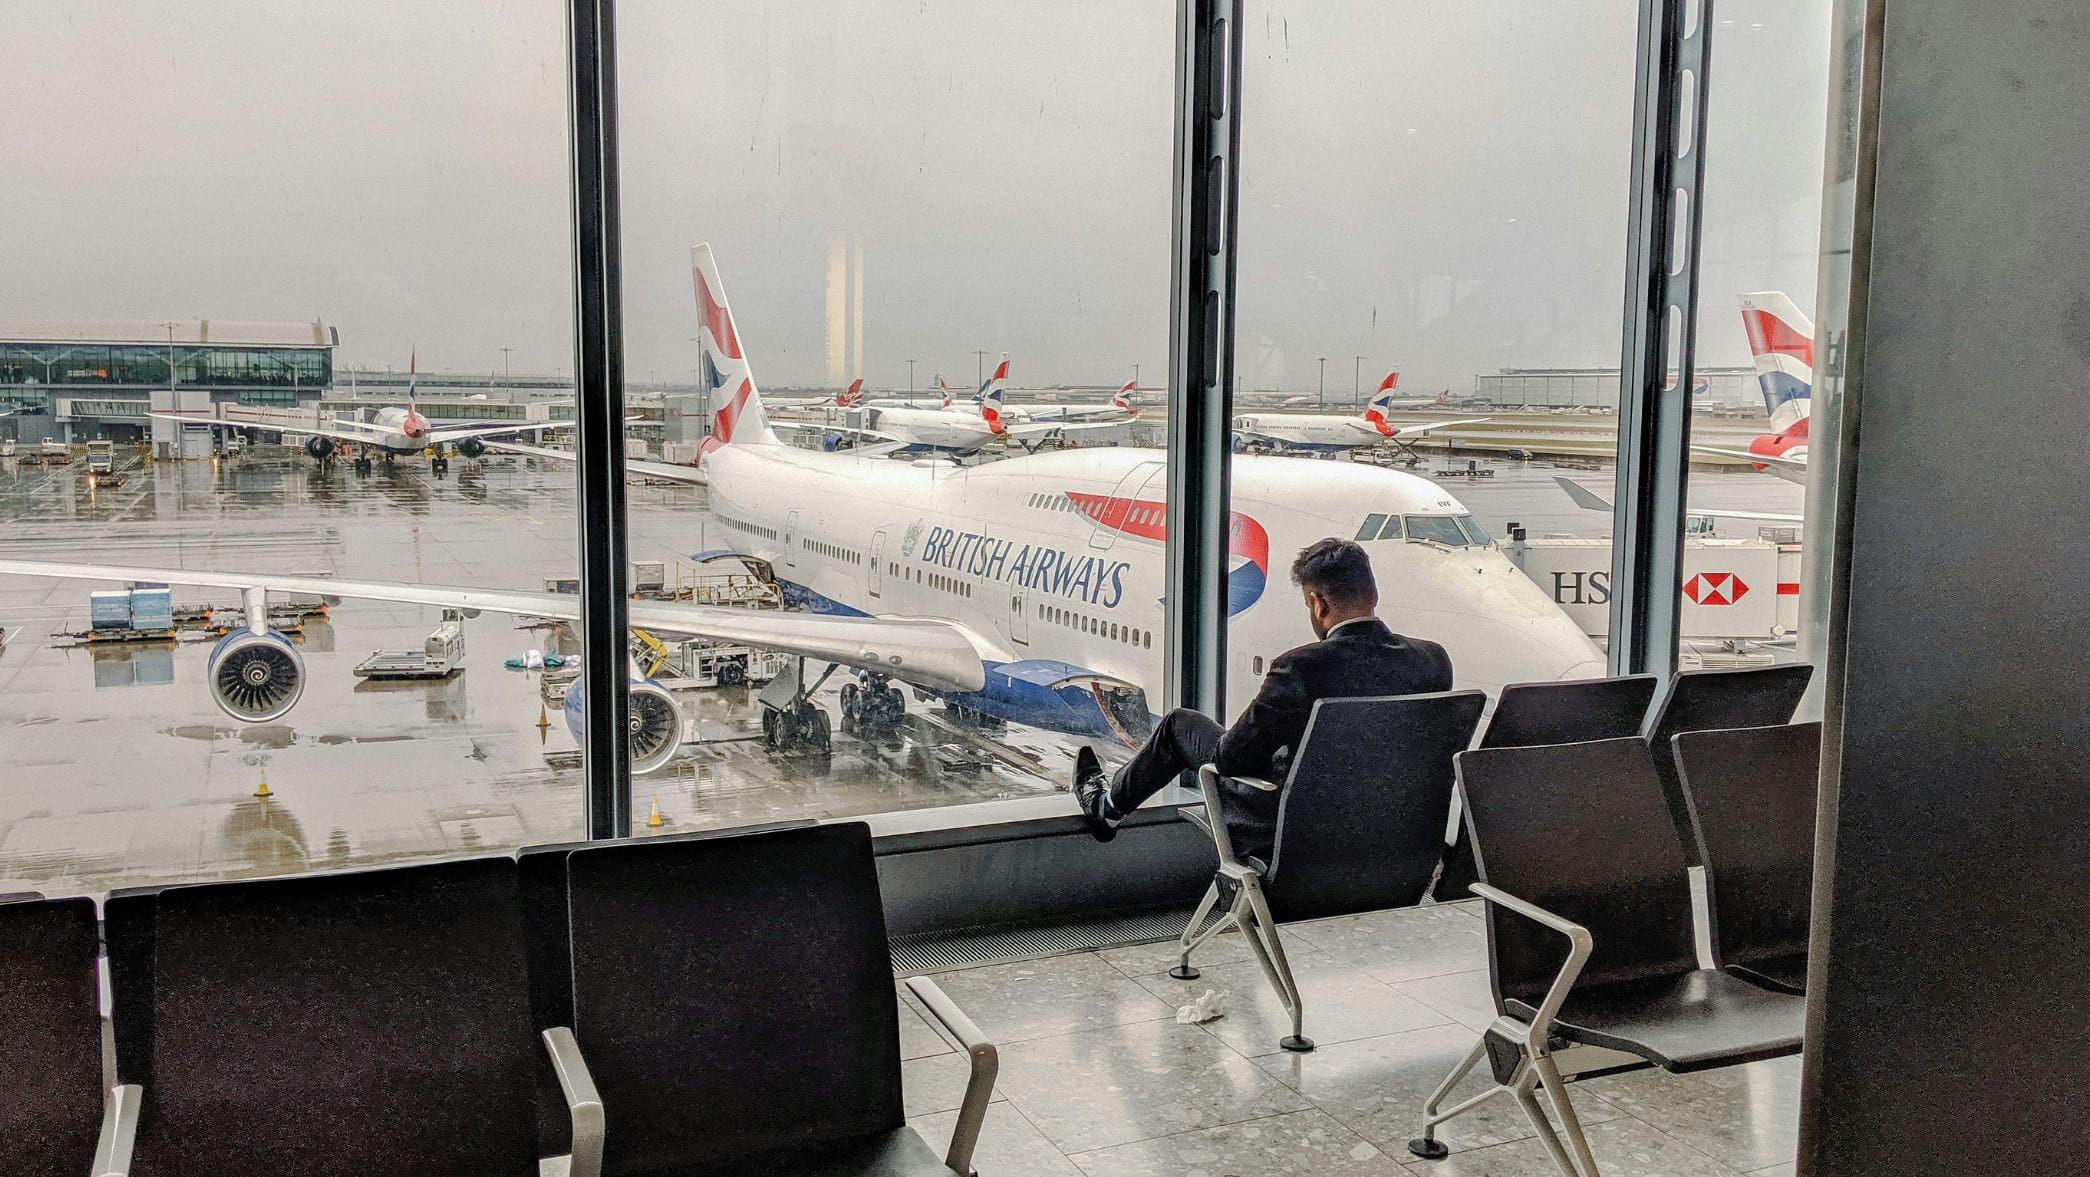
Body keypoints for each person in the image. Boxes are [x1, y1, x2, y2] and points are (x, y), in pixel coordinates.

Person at [1072, 537, 1453, 861]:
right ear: (1373, 594)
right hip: (1396, 837)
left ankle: (1107, 810)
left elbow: (1232, 758)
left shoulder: (1300, 667)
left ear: (1318, 603)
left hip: (1300, 836)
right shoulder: (1433, 658)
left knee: (1179, 724)